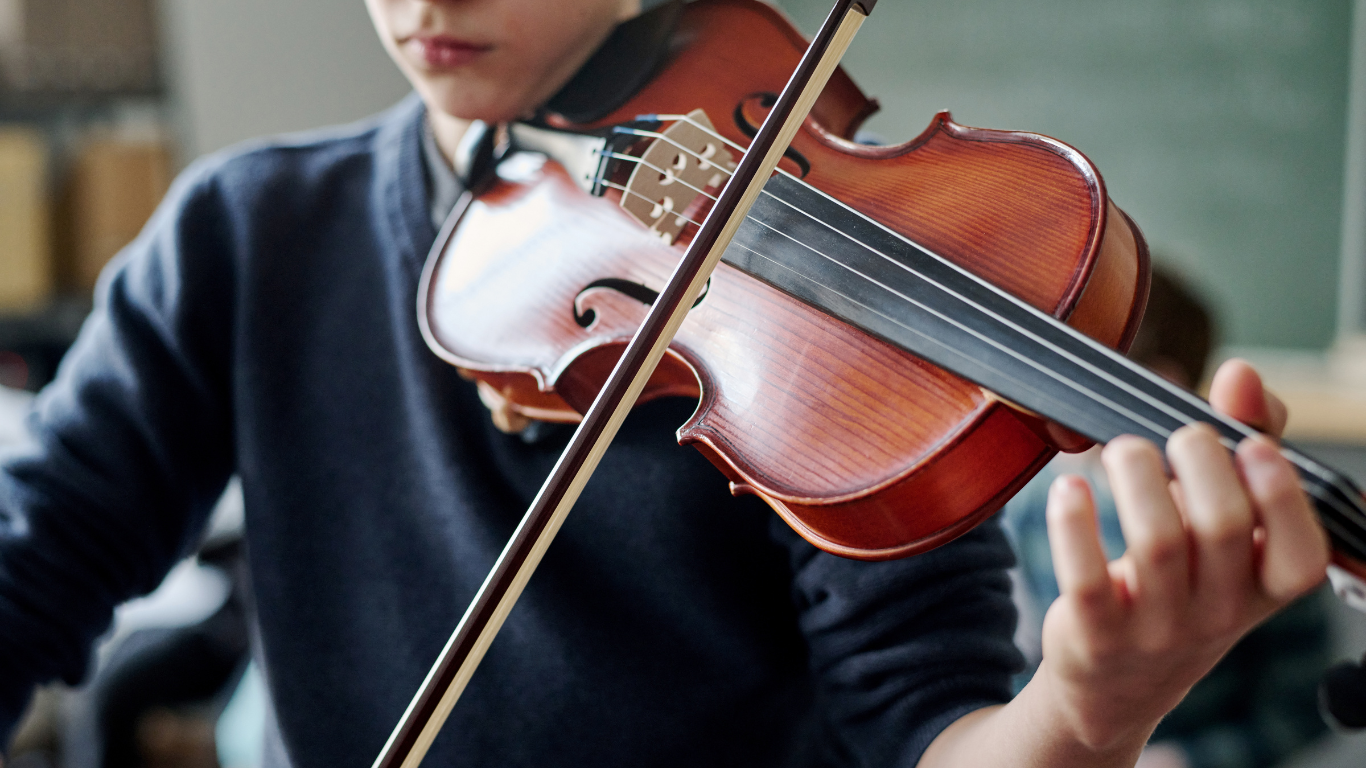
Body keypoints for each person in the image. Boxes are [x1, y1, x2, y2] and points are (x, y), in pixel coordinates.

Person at [0, 1, 1330, 767]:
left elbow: (929, 730)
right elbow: (30, 569)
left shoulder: (822, 285)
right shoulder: (243, 235)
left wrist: (1086, 708)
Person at [1000, 268, 1331, 768]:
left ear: (1167, 386)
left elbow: (1299, 707)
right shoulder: (1025, 508)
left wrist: (1178, 761)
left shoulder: (1256, 521)